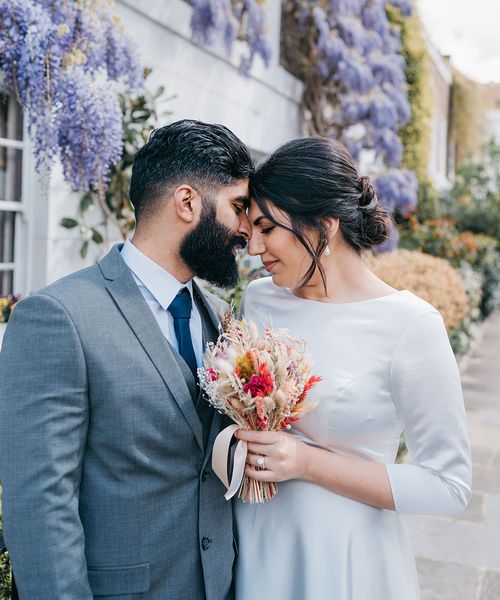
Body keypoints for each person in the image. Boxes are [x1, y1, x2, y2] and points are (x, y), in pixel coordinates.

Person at [0, 119, 253, 599]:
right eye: (238, 207)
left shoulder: (222, 318)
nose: (245, 228)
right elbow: (40, 505)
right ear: (187, 203)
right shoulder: (58, 318)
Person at [234, 137, 472, 600]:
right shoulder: (258, 299)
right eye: (250, 232)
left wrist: (305, 462)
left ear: (324, 225)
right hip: (257, 540)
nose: (254, 248)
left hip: (346, 557)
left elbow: (449, 486)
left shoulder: (410, 324)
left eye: (266, 229)